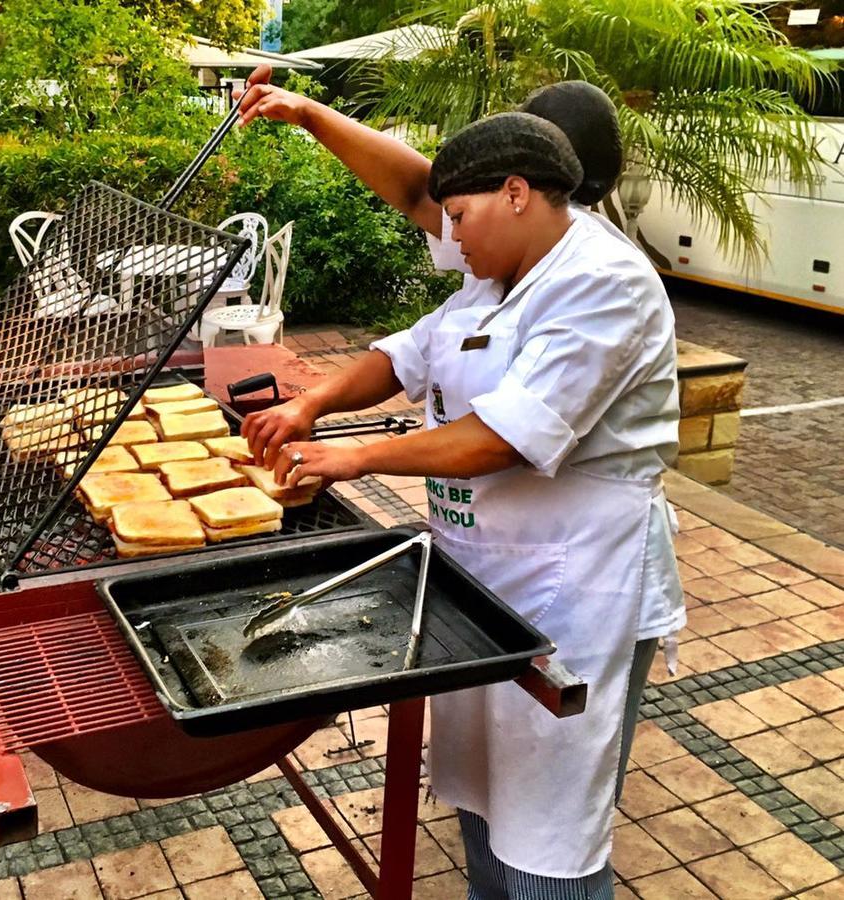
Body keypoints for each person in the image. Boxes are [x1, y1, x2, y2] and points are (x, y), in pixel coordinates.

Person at [237, 75, 684, 899]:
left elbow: (502, 440)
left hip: (577, 583)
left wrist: (355, 460)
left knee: (550, 822)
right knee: (483, 788)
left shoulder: (602, 281)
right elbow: (410, 349)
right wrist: (311, 401)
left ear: (523, 188)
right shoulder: (496, 264)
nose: (442, 235)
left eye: (457, 217)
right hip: (487, 569)